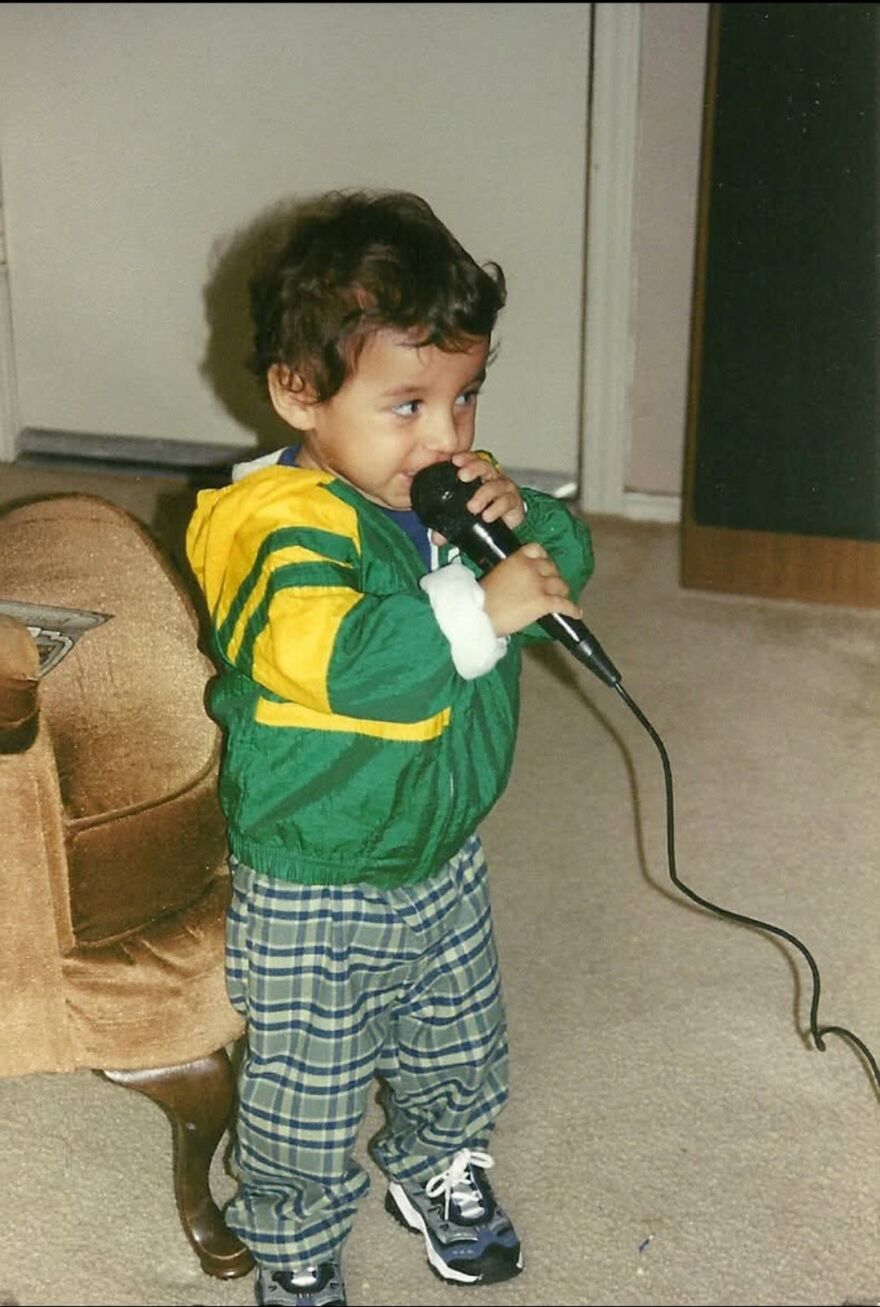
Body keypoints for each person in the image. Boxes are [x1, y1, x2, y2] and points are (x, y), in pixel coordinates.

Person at [186, 188, 594, 1307]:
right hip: (317, 866)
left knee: (458, 1034)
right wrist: (480, 608)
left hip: (440, 839)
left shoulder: (437, 488)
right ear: (297, 392)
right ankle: (296, 1237)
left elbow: (561, 567)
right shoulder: (272, 527)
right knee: (307, 1084)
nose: (446, 436)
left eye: (464, 398)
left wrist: (528, 524)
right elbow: (344, 655)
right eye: (407, 403)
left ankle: (439, 1166)